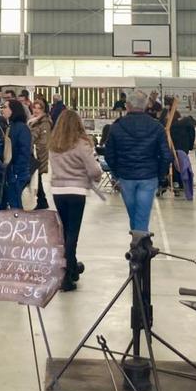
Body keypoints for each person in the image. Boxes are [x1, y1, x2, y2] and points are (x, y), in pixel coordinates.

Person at [49, 110, 103, 292]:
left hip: (57, 190)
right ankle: (66, 272)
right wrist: (95, 177)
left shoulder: (54, 144)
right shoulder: (81, 144)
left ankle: (71, 268)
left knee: (63, 232)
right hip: (76, 191)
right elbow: (95, 170)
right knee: (73, 233)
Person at [104, 90, 171, 232]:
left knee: (134, 216)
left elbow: (109, 154)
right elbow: (166, 155)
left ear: (127, 106)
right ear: (146, 105)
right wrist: (159, 176)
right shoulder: (157, 127)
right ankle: (139, 248)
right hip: (148, 176)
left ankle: (137, 247)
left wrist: (117, 173)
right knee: (141, 217)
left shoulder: (116, 127)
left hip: (126, 176)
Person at [1, 100, 32, 210]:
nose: (2, 110)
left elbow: (24, 151)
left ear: (13, 110)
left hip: (17, 173)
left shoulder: (21, 128)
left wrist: (17, 171)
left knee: (16, 205)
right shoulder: (9, 126)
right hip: (10, 172)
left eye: (5, 107)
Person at [28, 98, 51, 210]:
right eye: (34, 107)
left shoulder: (44, 123)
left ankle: (42, 200)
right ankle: (42, 200)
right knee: (37, 179)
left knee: (37, 178)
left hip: (38, 155)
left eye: (39, 108)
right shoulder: (33, 121)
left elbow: (44, 142)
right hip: (33, 153)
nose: (36, 110)